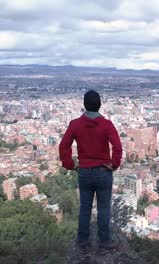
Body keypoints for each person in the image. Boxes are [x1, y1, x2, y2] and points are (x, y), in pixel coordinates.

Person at [59, 90, 122, 255]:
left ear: (84, 105)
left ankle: (82, 243)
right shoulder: (107, 124)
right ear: (100, 104)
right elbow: (117, 146)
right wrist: (114, 165)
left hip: (85, 172)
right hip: (103, 172)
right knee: (103, 209)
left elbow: (63, 146)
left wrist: (70, 164)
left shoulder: (75, 124)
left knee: (85, 208)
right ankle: (104, 243)